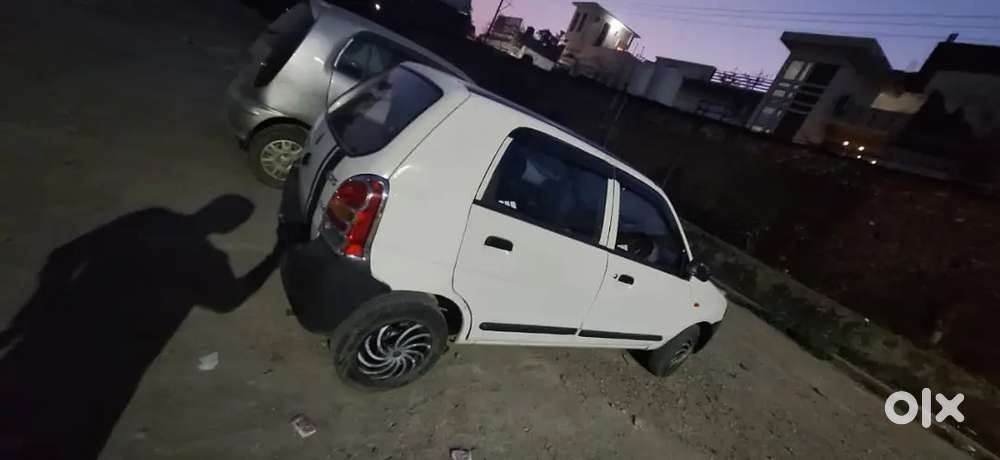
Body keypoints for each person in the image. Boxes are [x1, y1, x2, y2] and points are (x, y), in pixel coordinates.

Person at [0, 195, 281, 460]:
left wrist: (28, 320)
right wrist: (276, 255)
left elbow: (63, 256)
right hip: (110, 369)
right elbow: (231, 300)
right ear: (230, 227)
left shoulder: (154, 219)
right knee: (61, 441)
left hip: (55, 340)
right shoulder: (207, 262)